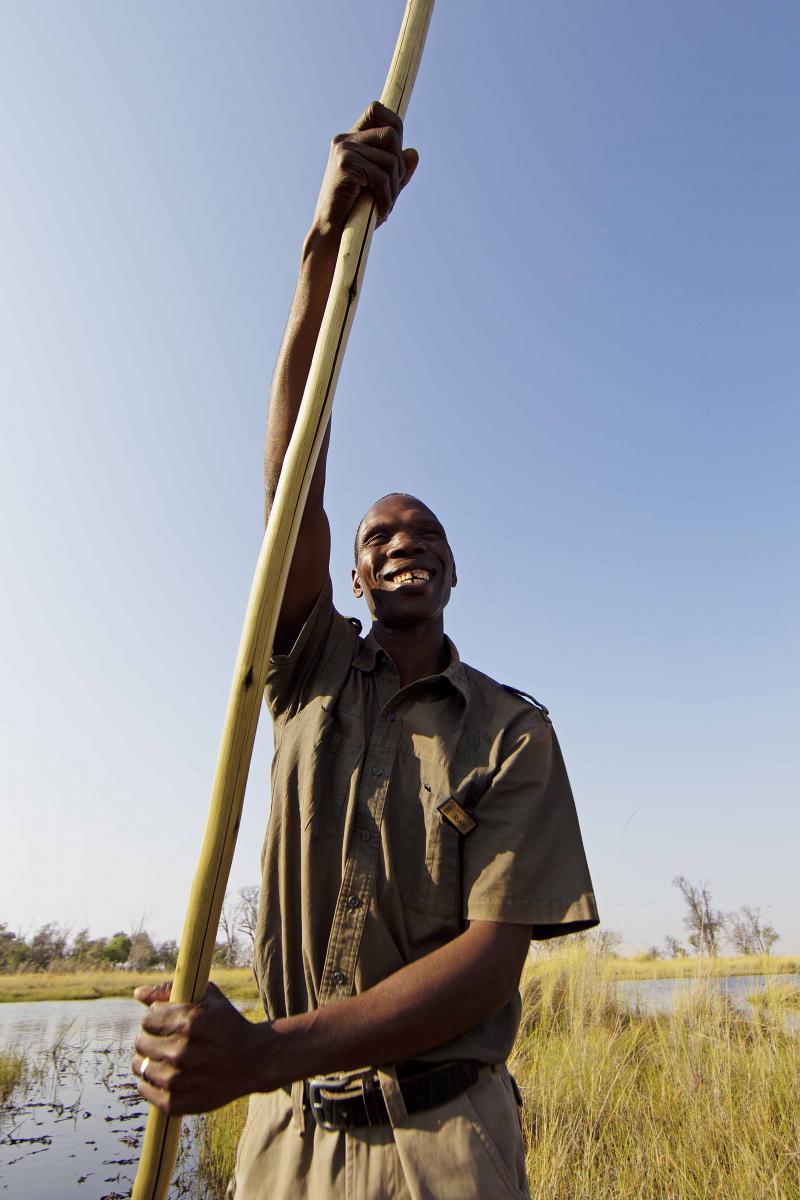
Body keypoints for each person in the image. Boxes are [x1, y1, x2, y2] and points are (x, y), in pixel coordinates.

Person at [132, 101, 599, 1199]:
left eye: (424, 534)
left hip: (446, 1145)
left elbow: (484, 968)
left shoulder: (511, 731)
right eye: (378, 536)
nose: (401, 544)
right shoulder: (304, 673)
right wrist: (321, 249)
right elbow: (291, 476)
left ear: (450, 571)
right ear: (350, 574)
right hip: (285, 1141)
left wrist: (257, 1055)